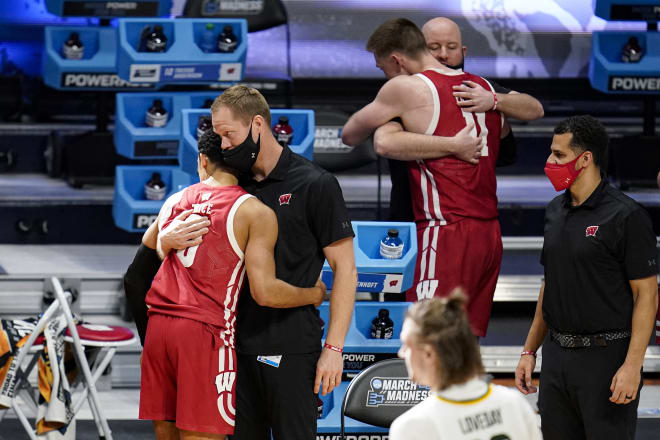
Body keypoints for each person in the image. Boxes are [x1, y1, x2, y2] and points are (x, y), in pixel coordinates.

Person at [159, 85, 357, 439]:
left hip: (291, 345)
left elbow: (346, 270)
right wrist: (164, 240)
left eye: (227, 134)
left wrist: (335, 349)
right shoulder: (231, 184)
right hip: (229, 347)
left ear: (258, 125)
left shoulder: (316, 183)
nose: (222, 145)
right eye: (216, 135)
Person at [138, 130, 326, 440]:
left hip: (159, 328)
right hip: (203, 333)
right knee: (202, 435)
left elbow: (145, 258)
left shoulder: (174, 200)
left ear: (203, 161)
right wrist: (314, 293)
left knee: (167, 434)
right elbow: (265, 292)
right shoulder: (254, 211)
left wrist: (164, 243)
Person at [342, 18, 507, 337]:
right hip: (488, 233)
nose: (385, 76)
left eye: (383, 68)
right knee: (463, 343)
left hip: (444, 230)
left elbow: (351, 135)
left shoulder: (406, 86)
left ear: (397, 60)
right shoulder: (482, 87)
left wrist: (392, 119)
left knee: (424, 340)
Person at [515, 115, 658, 440]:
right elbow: (549, 284)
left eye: (559, 155)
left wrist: (633, 366)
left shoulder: (627, 216)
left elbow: (646, 296)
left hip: (606, 359)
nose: (550, 162)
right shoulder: (554, 210)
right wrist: (529, 351)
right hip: (556, 357)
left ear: (586, 159)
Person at [383, 16, 545, 222]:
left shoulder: (480, 88)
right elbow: (384, 142)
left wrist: (494, 100)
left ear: (463, 51)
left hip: (473, 218)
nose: (443, 54)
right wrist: (452, 145)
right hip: (413, 216)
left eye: (451, 47)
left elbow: (535, 109)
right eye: (434, 47)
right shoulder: (404, 91)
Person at [390, 290, 542, 440]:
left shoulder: (411, 427)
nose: (401, 353)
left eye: (407, 345)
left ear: (429, 354)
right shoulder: (515, 404)